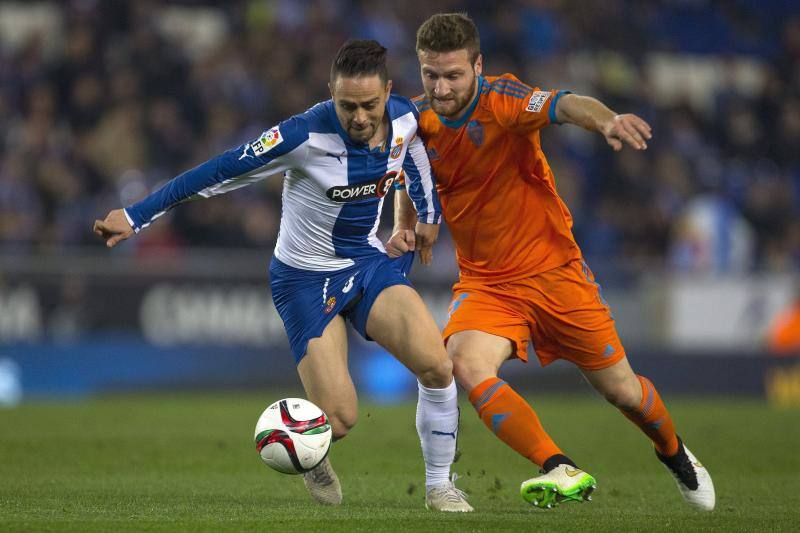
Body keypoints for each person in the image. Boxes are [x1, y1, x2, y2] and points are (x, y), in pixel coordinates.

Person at [93, 40, 472, 513]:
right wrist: (137, 213)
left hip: (365, 262)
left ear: (388, 92)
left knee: (437, 366)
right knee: (339, 419)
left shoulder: (403, 117)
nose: (358, 117)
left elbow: (413, 152)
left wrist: (420, 218)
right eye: (347, 105)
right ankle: (309, 453)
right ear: (330, 93)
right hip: (304, 281)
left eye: (369, 105)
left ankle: (440, 486)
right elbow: (216, 171)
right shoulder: (301, 135)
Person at [387, 13, 715, 511]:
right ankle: (557, 465)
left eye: (453, 74)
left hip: (556, 273)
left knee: (624, 392)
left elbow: (566, 103)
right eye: (431, 74)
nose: (441, 86)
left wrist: (605, 119)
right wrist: (405, 223)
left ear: (478, 65)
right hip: (488, 284)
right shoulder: (417, 123)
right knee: (465, 367)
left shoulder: (505, 99)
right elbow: (407, 173)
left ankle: (673, 452)